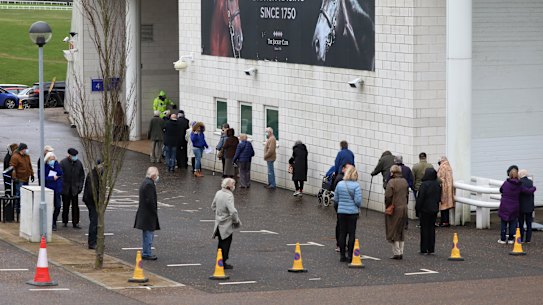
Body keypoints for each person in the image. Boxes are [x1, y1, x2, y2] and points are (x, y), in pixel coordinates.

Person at [498, 167, 536, 244]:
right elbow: (527, 191)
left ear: (509, 175)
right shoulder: (519, 185)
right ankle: (511, 239)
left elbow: (501, 190)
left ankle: (502, 239)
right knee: (512, 223)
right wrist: (534, 188)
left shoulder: (506, 183)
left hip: (505, 205)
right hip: (514, 206)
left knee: (503, 222)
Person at [211, 178, 241, 269]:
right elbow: (233, 211)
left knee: (220, 242)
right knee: (226, 242)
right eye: (233, 184)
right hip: (226, 223)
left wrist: (218, 214)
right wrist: (236, 221)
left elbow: (213, 206)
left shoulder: (218, 193)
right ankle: (223, 262)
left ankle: (219, 260)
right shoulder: (229, 196)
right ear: (229, 186)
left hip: (218, 222)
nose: (234, 186)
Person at [334, 166, 362, 262]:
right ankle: (350, 255)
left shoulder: (340, 184)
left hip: (341, 212)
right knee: (351, 233)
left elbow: (336, 199)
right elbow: (358, 201)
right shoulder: (356, 186)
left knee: (342, 233)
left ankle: (342, 255)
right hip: (352, 213)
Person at [134, 167, 161, 260]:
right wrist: (154, 210)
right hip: (148, 215)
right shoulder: (149, 184)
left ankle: (146, 252)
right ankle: (147, 253)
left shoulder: (145, 182)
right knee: (148, 235)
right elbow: (150, 201)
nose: (158, 177)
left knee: (147, 234)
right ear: (153, 175)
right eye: (157, 175)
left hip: (144, 213)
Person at [385, 165, 409, 259]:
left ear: (392, 172)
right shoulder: (404, 181)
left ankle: (396, 252)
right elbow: (406, 194)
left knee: (393, 229)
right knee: (401, 230)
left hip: (395, 208)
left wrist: (388, 206)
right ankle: (401, 251)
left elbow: (388, 196)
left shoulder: (391, 182)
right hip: (404, 208)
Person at [415, 168, 441, 254]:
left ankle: (424, 248)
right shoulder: (437, 184)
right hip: (434, 209)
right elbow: (439, 197)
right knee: (431, 229)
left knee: (424, 229)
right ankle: (431, 248)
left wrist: (417, 209)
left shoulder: (424, 185)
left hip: (425, 210)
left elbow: (420, 198)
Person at [60, 148, 85, 229]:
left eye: (75, 155)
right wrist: (62, 187)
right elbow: (60, 176)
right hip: (66, 189)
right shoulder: (63, 163)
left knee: (75, 207)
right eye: (73, 155)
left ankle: (75, 222)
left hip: (75, 189)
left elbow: (82, 176)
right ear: (69, 155)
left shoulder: (79, 163)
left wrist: (80, 187)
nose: (75, 157)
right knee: (65, 206)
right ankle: (65, 221)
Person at [10, 143, 34, 214]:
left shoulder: (27, 156)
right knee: (19, 195)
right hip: (19, 179)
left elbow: (29, 165)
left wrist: (32, 174)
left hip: (26, 178)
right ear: (22, 149)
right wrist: (14, 177)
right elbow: (12, 167)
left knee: (25, 195)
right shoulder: (15, 157)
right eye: (25, 149)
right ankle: (18, 209)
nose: (27, 150)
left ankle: (24, 208)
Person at [333, 163, 352, 252]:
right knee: (342, 227)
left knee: (342, 226)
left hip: (342, 207)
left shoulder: (343, 179)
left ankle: (341, 244)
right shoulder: (340, 179)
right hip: (344, 207)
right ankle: (340, 244)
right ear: (343, 169)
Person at [83, 160, 102, 249]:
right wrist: (98, 200)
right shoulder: (94, 176)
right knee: (94, 221)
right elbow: (92, 192)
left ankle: (94, 241)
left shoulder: (95, 174)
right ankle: (92, 242)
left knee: (95, 221)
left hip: (92, 201)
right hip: (92, 202)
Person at [44, 152, 63, 231]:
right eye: (51, 159)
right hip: (49, 190)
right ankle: (49, 223)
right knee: (49, 207)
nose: (53, 160)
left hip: (57, 190)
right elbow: (43, 178)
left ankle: (54, 220)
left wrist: (59, 176)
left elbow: (61, 174)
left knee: (58, 206)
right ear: (47, 160)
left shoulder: (57, 165)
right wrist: (52, 178)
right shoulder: (45, 167)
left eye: (54, 159)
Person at [436, 156, 454, 227]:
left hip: (444, 188)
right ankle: (445, 221)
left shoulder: (442, 167)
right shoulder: (448, 166)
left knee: (443, 205)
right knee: (447, 205)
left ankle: (444, 221)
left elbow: (440, 178)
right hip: (449, 188)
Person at [519, 169, 535, 243]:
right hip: (529, 206)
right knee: (529, 223)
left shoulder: (519, 182)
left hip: (521, 206)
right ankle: (528, 239)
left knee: (521, 223)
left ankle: (521, 239)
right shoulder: (530, 182)